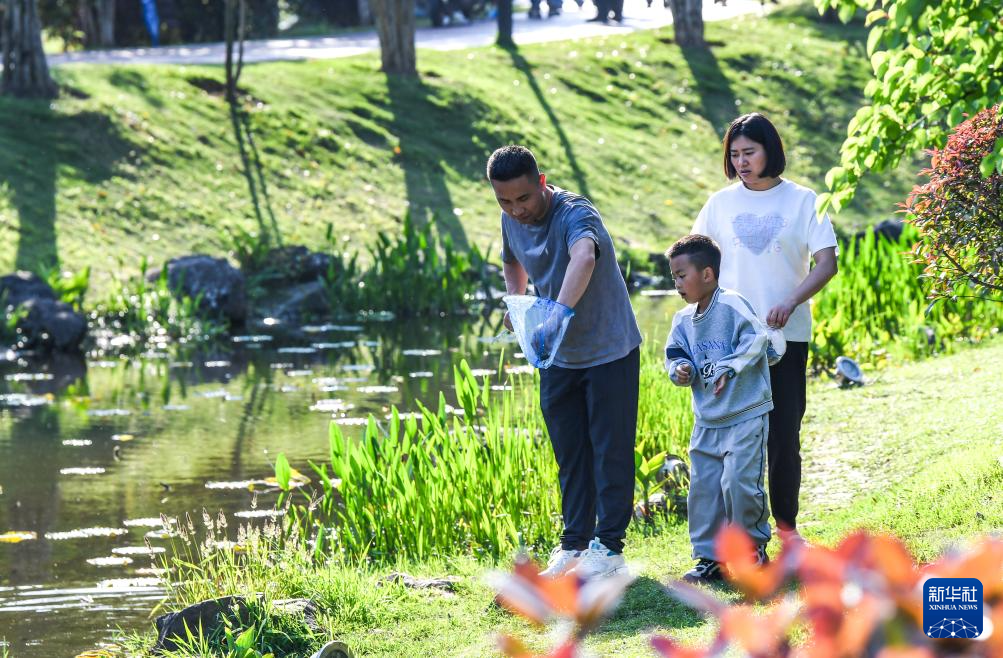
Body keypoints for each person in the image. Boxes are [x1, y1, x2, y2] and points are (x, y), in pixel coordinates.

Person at [486, 145, 642, 580]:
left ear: (541, 182)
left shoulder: (576, 213)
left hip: (609, 349)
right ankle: (574, 545)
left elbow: (584, 257)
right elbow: (512, 260)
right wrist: (517, 301)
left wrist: (557, 313)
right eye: (504, 201)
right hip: (557, 355)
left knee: (610, 450)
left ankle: (609, 548)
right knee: (570, 453)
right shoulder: (509, 218)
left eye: (523, 198)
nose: (516, 209)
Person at [692, 112, 838, 546]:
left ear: (769, 151)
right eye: (735, 154)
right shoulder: (719, 205)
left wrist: (791, 301)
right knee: (729, 439)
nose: (741, 162)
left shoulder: (803, 201)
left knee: (783, 436)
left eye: (749, 153)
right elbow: (694, 262)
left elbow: (826, 263)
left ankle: (787, 530)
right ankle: (730, 538)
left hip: (784, 338)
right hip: (727, 344)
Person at [664, 234, 773, 583]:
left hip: (745, 413)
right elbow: (674, 355)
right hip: (707, 420)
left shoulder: (732, 304)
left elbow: (757, 338)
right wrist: (680, 370)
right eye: (674, 277)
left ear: (707, 274)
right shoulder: (682, 320)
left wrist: (729, 366)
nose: (677, 283)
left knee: (739, 483)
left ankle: (752, 549)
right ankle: (710, 558)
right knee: (705, 490)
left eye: (682, 275)